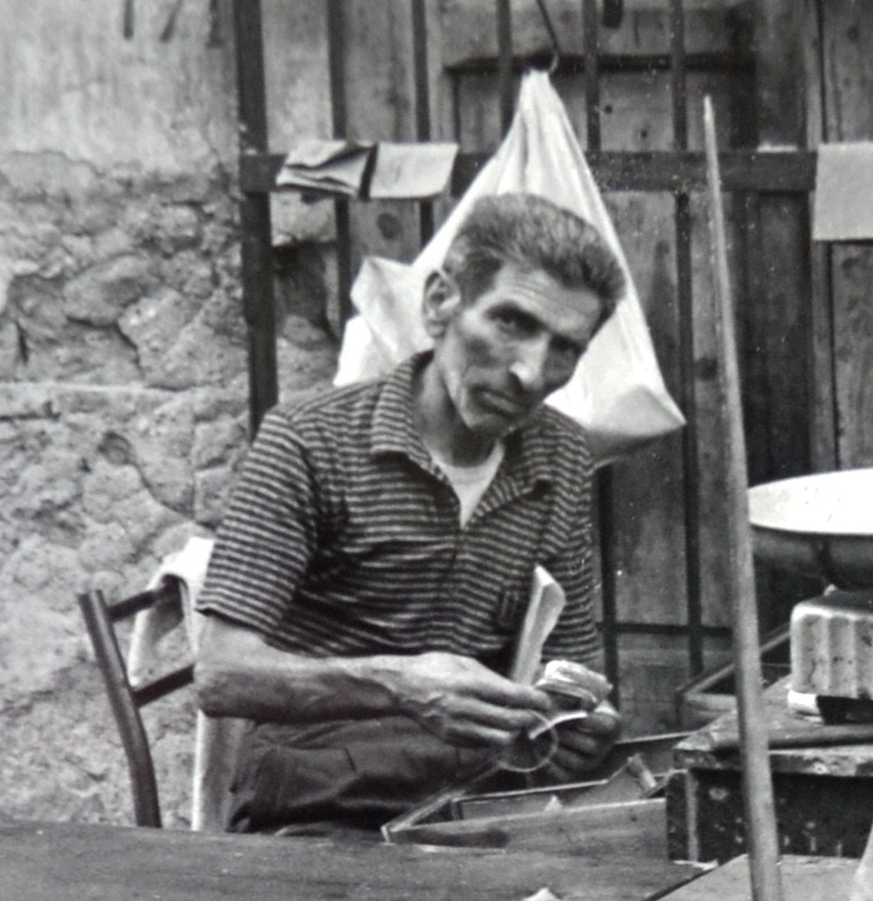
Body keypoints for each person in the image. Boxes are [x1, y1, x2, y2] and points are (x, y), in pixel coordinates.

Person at [194, 191, 628, 829]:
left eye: (565, 348)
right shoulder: (308, 441)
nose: (531, 373)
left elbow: (573, 666)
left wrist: (577, 723)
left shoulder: (559, 453)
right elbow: (222, 675)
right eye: (511, 323)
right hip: (317, 793)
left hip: (478, 789)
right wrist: (400, 685)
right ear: (440, 303)